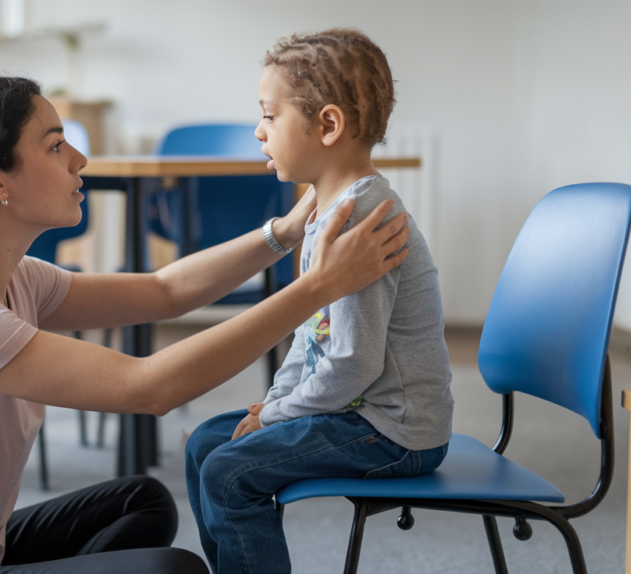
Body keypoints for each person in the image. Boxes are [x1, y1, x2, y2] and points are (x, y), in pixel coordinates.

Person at [0, 76, 410, 574]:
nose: (79, 159)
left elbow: (165, 290)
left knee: (140, 502)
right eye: (53, 147)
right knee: (171, 572)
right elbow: (148, 388)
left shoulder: (13, 275)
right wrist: (317, 289)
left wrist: (281, 234)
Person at [184, 28, 455, 574]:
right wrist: (273, 404)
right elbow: (312, 333)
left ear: (328, 125)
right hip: (355, 410)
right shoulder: (322, 208)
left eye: (269, 115)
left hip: (394, 431)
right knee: (203, 447)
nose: (258, 131)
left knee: (227, 473)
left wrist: (278, 415)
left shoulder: (361, 218)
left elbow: (353, 361)